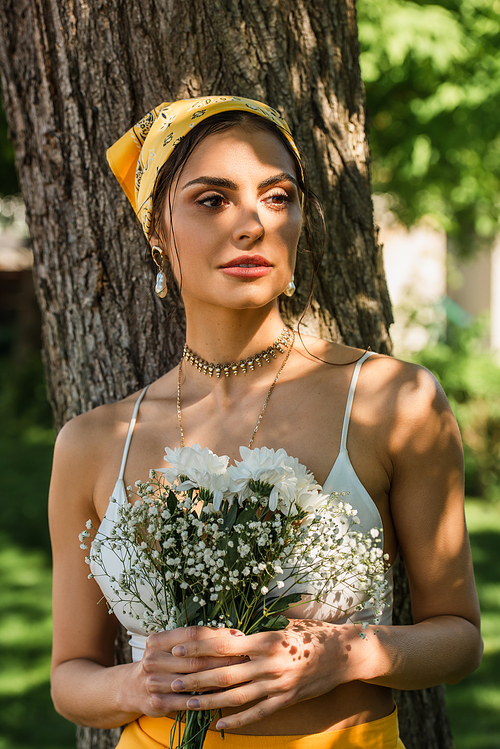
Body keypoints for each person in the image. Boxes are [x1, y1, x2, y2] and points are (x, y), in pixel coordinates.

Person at [49, 96, 482, 749]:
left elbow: (460, 636)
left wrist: (343, 652)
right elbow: (69, 674)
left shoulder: (395, 399)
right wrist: (136, 686)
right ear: (156, 230)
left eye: (278, 197)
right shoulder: (92, 440)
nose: (252, 223)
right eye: (212, 199)